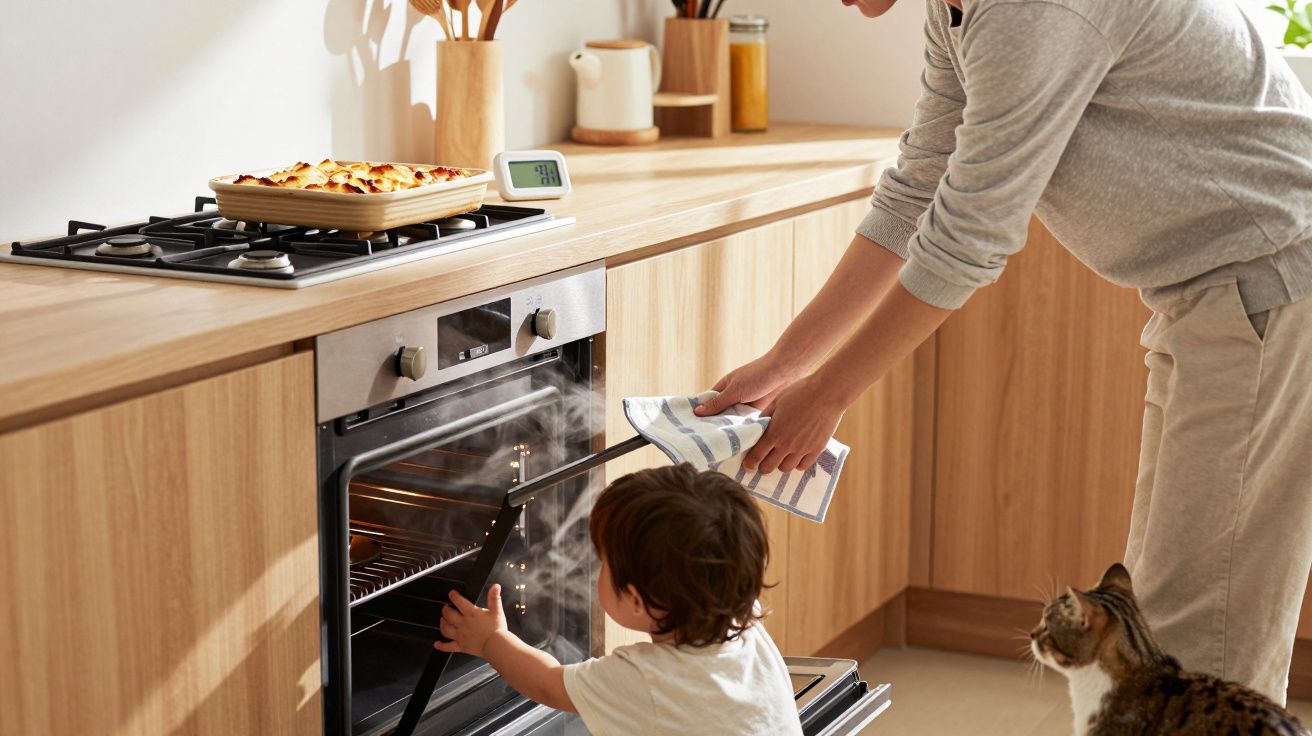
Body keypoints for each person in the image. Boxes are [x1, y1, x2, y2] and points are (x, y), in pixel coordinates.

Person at [694, 0, 1312, 704]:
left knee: (1205, 637)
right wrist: (786, 365)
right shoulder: (955, 9)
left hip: (1268, 283)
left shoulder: (1030, 10)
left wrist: (829, 393)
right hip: (1208, 292)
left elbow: (967, 236)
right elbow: (919, 186)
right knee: (1167, 619)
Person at [435, 464, 803, 735]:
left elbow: (546, 682)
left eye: (604, 561)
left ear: (638, 601)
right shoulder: (743, 618)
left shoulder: (645, 680)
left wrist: (490, 640)